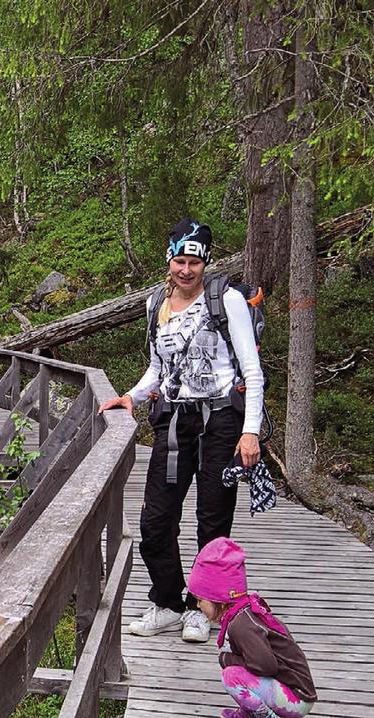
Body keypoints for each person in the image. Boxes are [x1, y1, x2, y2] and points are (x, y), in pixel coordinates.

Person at [99, 218, 264, 642]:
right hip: (174, 421)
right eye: (179, 260)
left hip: (221, 420)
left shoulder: (224, 300)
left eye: (193, 261)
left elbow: (251, 370)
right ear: (168, 259)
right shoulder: (157, 303)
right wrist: (132, 397)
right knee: (156, 519)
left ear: (204, 263)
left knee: (212, 522)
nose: (185, 269)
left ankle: (200, 609)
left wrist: (250, 432)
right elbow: (158, 368)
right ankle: (168, 602)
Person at [187, 537, 317, 718]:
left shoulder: (242, 625)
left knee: (232, 676)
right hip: (293, 689)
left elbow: (265, 666)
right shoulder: (241, 612)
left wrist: (227, 659)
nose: (198, 605)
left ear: (218, 598)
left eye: (201, 599)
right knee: (233, 668)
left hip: (297, 698)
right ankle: (252, 712)